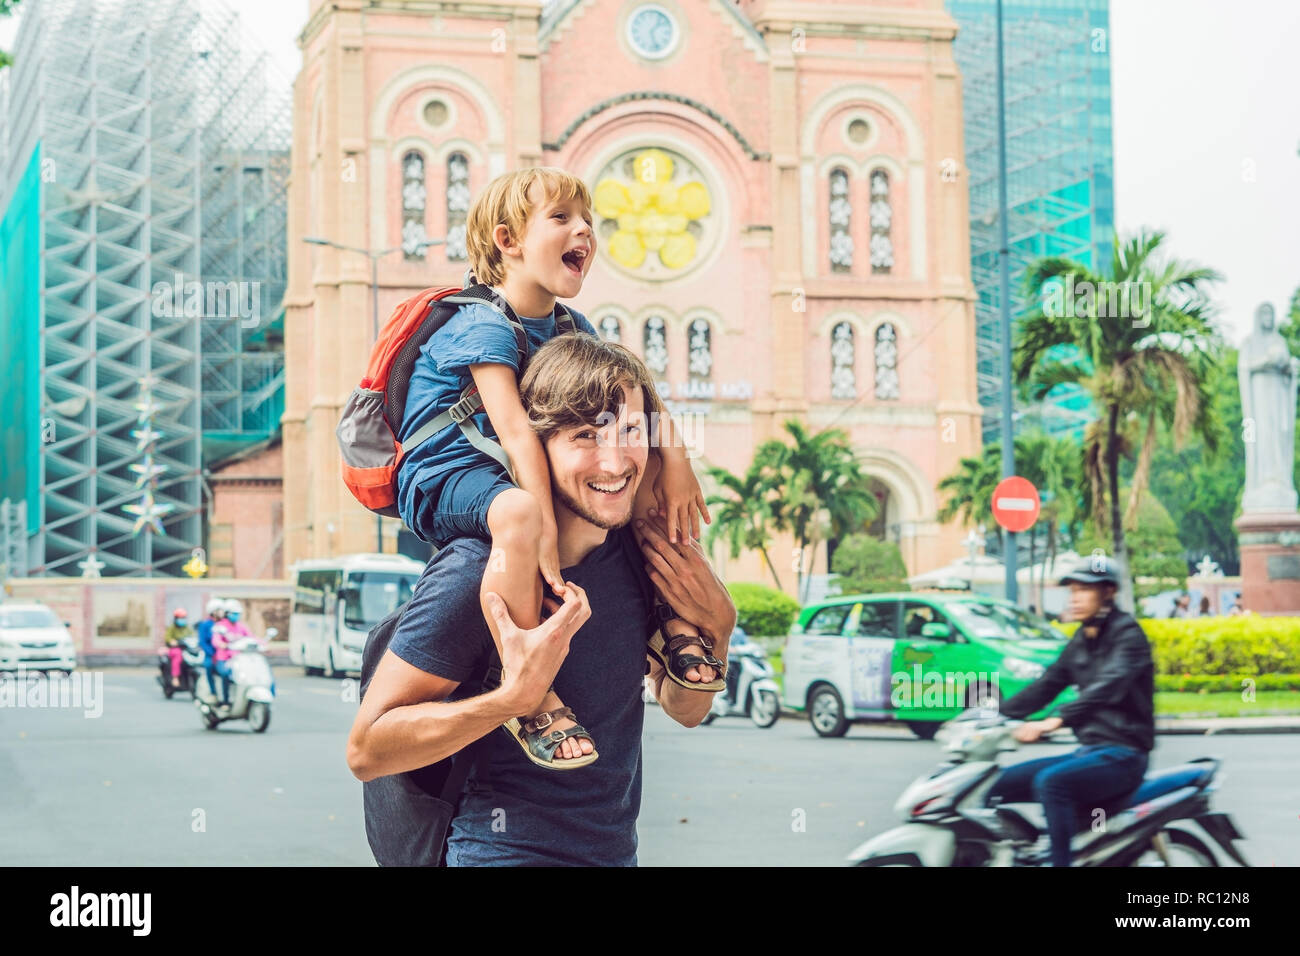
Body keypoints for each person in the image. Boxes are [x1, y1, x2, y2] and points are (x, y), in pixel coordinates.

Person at [348, 334, 737, 866]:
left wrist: (720, 629)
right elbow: (367, 749)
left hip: (615, 854)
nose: (616, 460)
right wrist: (510, 700)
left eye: (630, 431)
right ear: (535, 447)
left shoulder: (639, 558)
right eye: (584, 435)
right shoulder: (476, 571)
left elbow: (685, 709)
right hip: (500, 852)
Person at [392, 167, 716, 770]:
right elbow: (516, 435)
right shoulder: (481, 321)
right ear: (507, 240)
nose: (584, 231)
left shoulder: (569, 326)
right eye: (562, 218)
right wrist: (542, 542)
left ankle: (672, 624)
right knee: (517, 511)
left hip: (505, 469)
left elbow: (638, 392)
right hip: (444, 473)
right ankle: (528, 690)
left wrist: (677, 460)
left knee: (639, 473)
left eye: (587, 220)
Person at [986, 556, 1155, 867]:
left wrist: (1056, 720)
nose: (1074, 597)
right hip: (1089, 752)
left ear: (1108, 592)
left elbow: (1106, 686)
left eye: (1084, 589)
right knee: (994, 783)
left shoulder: (1129, 636)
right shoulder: (1080, 641)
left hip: (1125, 754)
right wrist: (992, 716)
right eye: (1072, 590)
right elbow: (1046, 685)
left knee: (1053, 783)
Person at [212, 599, 253, 708]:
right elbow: (215, 640)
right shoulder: (220, 626)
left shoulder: (241, 626)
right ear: (227, 614)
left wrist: (263, 644)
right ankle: (225, 701)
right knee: (225, 674)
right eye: (234, 613)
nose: (236, 616)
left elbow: (251, 638)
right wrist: (221, 644)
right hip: (224, 659)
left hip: (240, 658)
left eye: (238, 614)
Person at [197, 599, 224, 697]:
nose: (222, 612)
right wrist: (211, 653)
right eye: (219, 610)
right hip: (211, 653)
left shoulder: (224, 623)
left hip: (224, 653)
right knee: (209, 666)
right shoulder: (205, 625)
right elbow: (202, 642)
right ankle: (213, 691)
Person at [162, 608, 191, 689]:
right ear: (176, 618)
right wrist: (172, 641)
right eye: (180, 618)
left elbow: (192, 636)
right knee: (178, 656)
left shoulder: (187, 628)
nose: (182, 620)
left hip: (186, 648)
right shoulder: (172, 628)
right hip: (175, 649)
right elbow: (167, 638)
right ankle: (175, 678)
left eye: (183, 618)